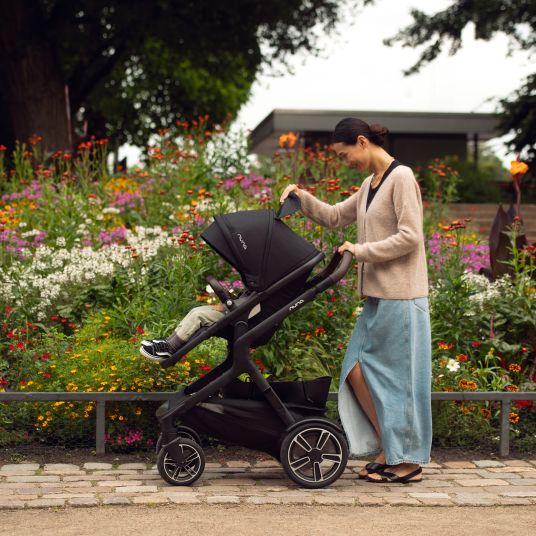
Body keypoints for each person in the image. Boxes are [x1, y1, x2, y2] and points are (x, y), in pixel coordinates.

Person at [279, 117, 432, 484]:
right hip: (378, 298)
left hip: (402, 296)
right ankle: (390, 446)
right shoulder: (369, 186)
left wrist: (360, 250)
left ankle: (406, 460)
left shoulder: (401, 178)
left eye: (344, 153)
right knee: (355, 370)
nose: (343, 160)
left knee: (401, 381)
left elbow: (410, 236)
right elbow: (334, 217)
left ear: (362, 142)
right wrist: (301, 196)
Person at [140, 290, 260, 361]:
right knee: (196, 310)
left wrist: (226, 306)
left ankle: (170, 348)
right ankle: (168, 342)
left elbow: (255, 302)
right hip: (240, 313)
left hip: (241, 319)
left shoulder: (267, 284)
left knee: (199, 315)